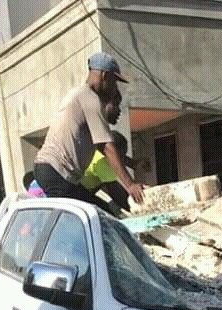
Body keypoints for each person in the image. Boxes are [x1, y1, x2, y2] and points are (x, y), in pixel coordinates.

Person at [33, 52, 144, 211]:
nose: (114, 88)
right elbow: (106, 146)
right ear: (105, 76)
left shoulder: (80, 95)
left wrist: (131, 163)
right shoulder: (91, 99)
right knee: (97, 216)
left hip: (53, 172)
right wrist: (131, 185)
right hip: (57, 173)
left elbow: (101, 149)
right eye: (114, 82)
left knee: (97, 211)